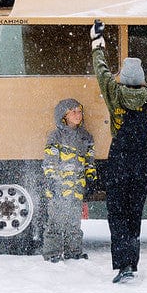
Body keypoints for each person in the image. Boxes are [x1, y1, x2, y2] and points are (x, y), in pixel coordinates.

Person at [91, 19, 147, 283]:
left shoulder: (113, 93)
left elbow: (101, 69)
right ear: (141, 80)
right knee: (133, 213)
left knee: (116, 213)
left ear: (122, 80)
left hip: (118, 160)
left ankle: (123, 266)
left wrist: (97, 40)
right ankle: (132, 261)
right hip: (141, 160)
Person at [41, 98, 98, 262]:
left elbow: (89, 160)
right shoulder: (56, 136)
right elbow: (50, 160)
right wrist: (51, 180)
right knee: (55, 220)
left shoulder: (86, 137)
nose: (77, 114)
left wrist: (90, 178)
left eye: (79, 111)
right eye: (72, 112)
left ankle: (74, 251)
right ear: (63, 116)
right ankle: (52, 252)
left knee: (74, 221)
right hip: (58, 186)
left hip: (77, 187)